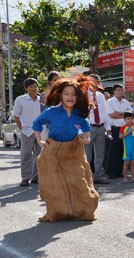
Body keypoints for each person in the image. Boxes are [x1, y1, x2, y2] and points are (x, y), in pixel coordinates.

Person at [32, 76, 99, 222]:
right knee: (53, 184)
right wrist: (40, 140)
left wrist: (86, 140)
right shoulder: (51, 112)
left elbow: (87, 130)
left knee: (79, 181)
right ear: (60, 95)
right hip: (53, 151)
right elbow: (36, 124)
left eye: (73, 94)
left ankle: (82, 210)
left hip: (73, 151)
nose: (70, 97)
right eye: (66, 94)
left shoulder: (80, 114)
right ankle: (55, 212)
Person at [13, 78, 42, 186]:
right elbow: (16, 116)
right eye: (31, 87)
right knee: (26, 155)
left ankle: (36, 177)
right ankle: (25, 178)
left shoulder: (41, 100)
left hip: (40, 131)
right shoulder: (20, 99)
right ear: (26, 88)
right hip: (27, 131)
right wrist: (22, 129)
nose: (34, 89)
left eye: (35, 86)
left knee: (39, 155)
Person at [84, 74, 111, 184]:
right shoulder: (83, 95)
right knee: (87, 154)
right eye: (92, 81)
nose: (94, 84)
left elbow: (105, 112)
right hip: (88, 127)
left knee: (100, 153)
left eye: (96, 81)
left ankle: (98, 176)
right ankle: (86, 177)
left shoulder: (100, 96)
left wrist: (108, 128)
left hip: (100, 127)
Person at [106, 84, 133, 179]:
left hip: (125, 128)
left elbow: (131, 113)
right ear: (114, 91)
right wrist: (125, 114)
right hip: (115, 128)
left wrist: (119, 113)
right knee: (114, 150)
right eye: (118, 90)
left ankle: (119, 171)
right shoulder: (110, 102)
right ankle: (111, 172)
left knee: (122, 150)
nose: (121, 92)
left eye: (122, 90)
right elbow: (112, 115)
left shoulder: (125, 102)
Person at [119, 111, 134, 183]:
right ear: (124, 120)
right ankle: (125, 177)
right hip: (126, 148)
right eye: (128, 119)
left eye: (131, 119)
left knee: (133, 162)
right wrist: (129, 131)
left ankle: (133, 177)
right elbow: (120, 136)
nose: (130, 120)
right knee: (126, 162)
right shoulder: (123, 127)